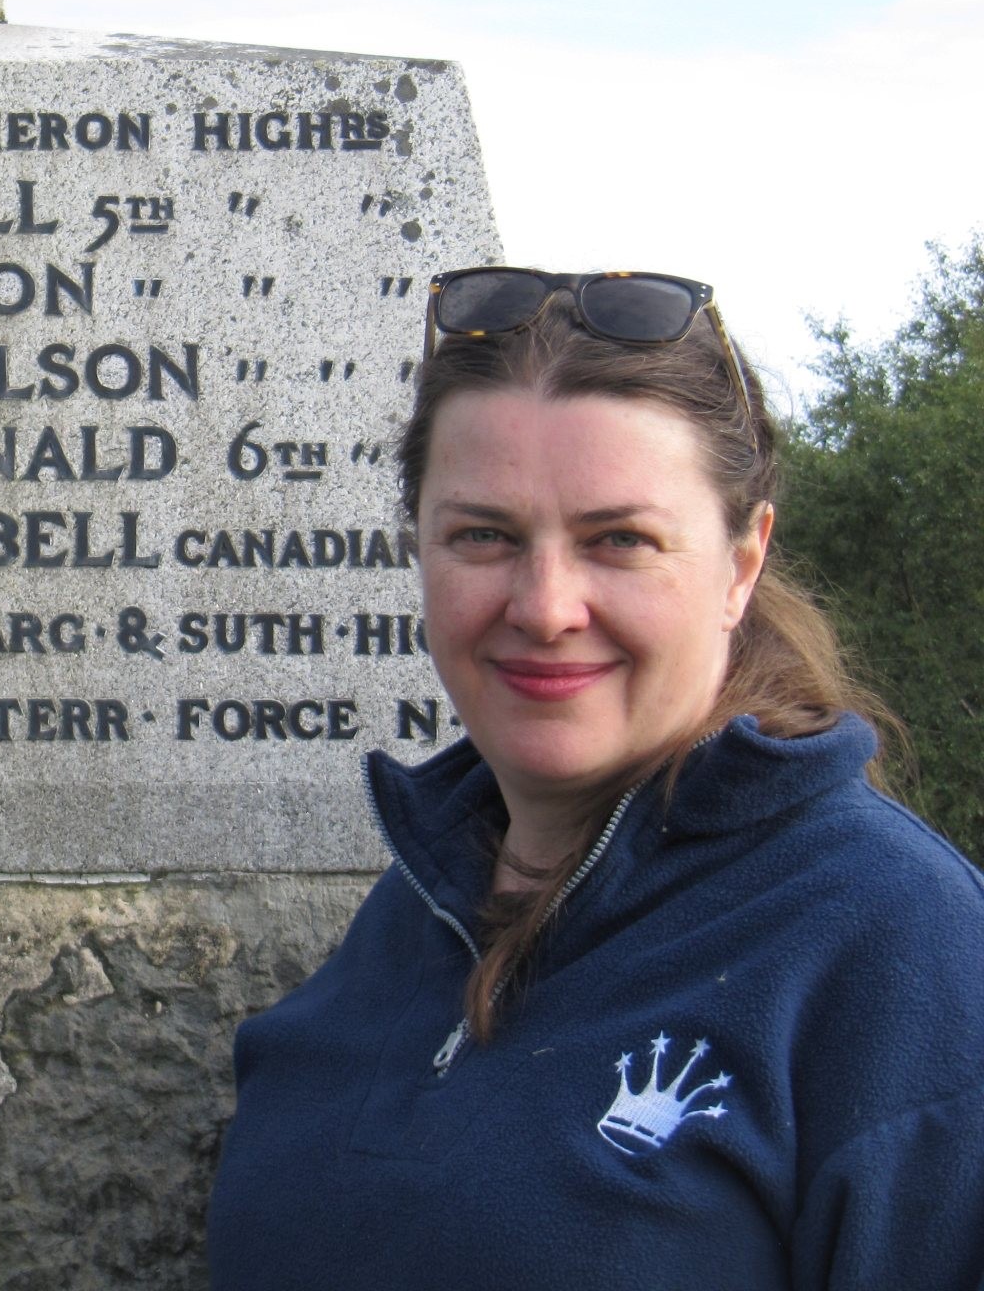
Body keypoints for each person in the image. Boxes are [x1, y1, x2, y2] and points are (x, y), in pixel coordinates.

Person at [205, 268, 984, 1290]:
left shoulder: (900, 949)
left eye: (618, 539)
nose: (544, 606)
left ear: (741, 562)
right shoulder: (411, 914)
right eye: (482, 534)